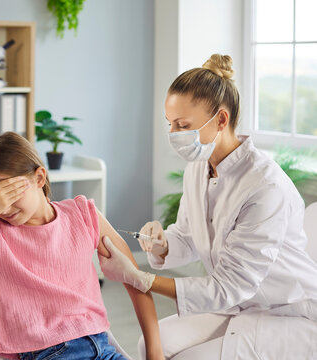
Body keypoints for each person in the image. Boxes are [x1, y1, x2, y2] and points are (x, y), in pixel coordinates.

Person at [98, 54, 317, 360]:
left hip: (286, 312)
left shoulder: (264, 187)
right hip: (237, 304)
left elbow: (229, 286)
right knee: (150, 345)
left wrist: (143, 279)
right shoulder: (199, 168)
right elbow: (188, 237)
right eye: (170, 124)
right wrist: (162, 244)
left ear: (222, 120)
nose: (174, 134)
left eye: (183, 125)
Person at [0, 132, 165, 359]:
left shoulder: (83, 214)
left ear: (39, 177)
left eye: (10, 194)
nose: (4, 208)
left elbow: (134, 279)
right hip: (51, 354)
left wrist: (155, 353)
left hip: (103, 347)